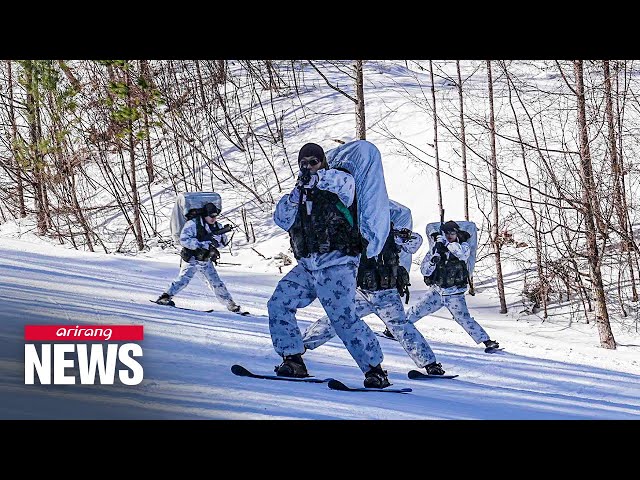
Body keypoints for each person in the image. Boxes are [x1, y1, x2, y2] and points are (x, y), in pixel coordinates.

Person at [267, 142, 390, 389]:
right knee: (279, 303)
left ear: (323, 162)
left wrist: (319, 179)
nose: (309, 167)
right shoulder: (299, 193)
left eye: (314, 162)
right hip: (307, 264)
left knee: (342, 316)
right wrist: (295, 195)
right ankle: (292, 360)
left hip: (338, 263)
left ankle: (375, 370)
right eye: (304, 163)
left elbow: (343, 185)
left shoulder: (340, 182)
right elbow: (281, 219)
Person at [302, 221, 448, 376]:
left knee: (403, 328)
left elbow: (415, 242)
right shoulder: (355, 235)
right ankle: (301, 345)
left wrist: (403, 235)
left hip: (387, 295)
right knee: (336, 319)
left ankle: (430, 364)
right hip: (361, 293)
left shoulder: (392, 235)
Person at [406, 220, 499, 350]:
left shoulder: (463, 246)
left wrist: (448, 243)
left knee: (464, 319)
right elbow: (424, 270)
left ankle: (487, 341)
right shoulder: (436, 249)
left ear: (457, 234)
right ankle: (395, 329)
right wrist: (433, 261)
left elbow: (462, 255)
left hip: (454, 293)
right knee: (416, 311)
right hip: (437, 291)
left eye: (452, 233)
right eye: (447, 233)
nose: (450, 235)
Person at [156, 202, 244, 313]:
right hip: (192, 258)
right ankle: (165, 297)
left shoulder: (218, 226)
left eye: (215, 216)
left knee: (216, 282)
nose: (213, 219)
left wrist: (216, 242)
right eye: (211, 216)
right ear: (204, 215)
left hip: (205, 260)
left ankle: (230, 304)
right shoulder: (192, 224)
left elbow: (223, 243)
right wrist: (199, 244)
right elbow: (184, 240)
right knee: (183, 280)